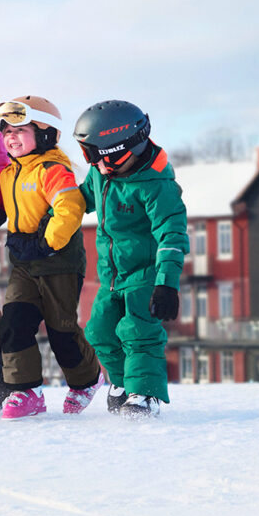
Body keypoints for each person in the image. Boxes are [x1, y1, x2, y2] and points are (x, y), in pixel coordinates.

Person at [0, 96, 103, 419]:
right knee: (14, 322)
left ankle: (86, 381)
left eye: (20, 130)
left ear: (45, 134)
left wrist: (48, 242)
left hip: (58, 261)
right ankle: (26, 391)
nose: (11, 137)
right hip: (24, 262)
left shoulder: (52, 169)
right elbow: (7, 203)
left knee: (60, 329)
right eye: (6, 132)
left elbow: (70, 207)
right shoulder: (10, 173)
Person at [73, 99, 186, 418]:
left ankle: (145, 393)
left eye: (99, 156)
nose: (95, 164)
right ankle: (123, 384)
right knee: (98, 332)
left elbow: (172, 236)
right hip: (111, 275)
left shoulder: (157, 186)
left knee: (138, 333)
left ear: (124, 149)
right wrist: (53, 212)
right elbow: (84, 198)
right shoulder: (101, 173)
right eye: (88, 156)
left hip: (146, 276)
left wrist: (167, 284)